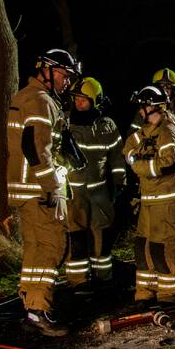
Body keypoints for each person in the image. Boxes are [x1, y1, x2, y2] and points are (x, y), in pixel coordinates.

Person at [7, 48, 80, 336]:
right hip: (40, 190)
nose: (67, 81)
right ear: (47, 70)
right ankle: (39, 310)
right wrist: (51, 187)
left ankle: (31, 308)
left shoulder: (26, 96)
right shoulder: (40, 101)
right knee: (52, 246)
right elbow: (36, 147)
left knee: (35, 248)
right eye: (64, 75)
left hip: (26, 189)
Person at [123, 86, 175, 308]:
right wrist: (136, 159)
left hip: (169, 201)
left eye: (141, 107)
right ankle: (145, 292)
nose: (139, 112)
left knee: (163, 249)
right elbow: (128, 149)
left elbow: (169, 164)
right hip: (149, 201)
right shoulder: (145, 131)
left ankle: (168, 295)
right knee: (143, 247)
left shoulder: (168, 130)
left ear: (150, 107)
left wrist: (140, 165)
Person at [64, 76, 125, 287]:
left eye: (83, 100)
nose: (78, 103)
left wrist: (119, 182)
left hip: (100, 190)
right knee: (76, 234)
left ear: (95, 101)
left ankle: (103, 277)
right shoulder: (66, 124)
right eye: (76, 99)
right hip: (74, 191)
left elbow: (117, 157)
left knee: (102, 234)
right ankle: (78, 280)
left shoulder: (107, 126)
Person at [132, 68, 175, 176]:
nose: (165, 90)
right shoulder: (145, 110)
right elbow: (132, 140)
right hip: (153, 172)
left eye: (169, 86)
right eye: (161, 86)